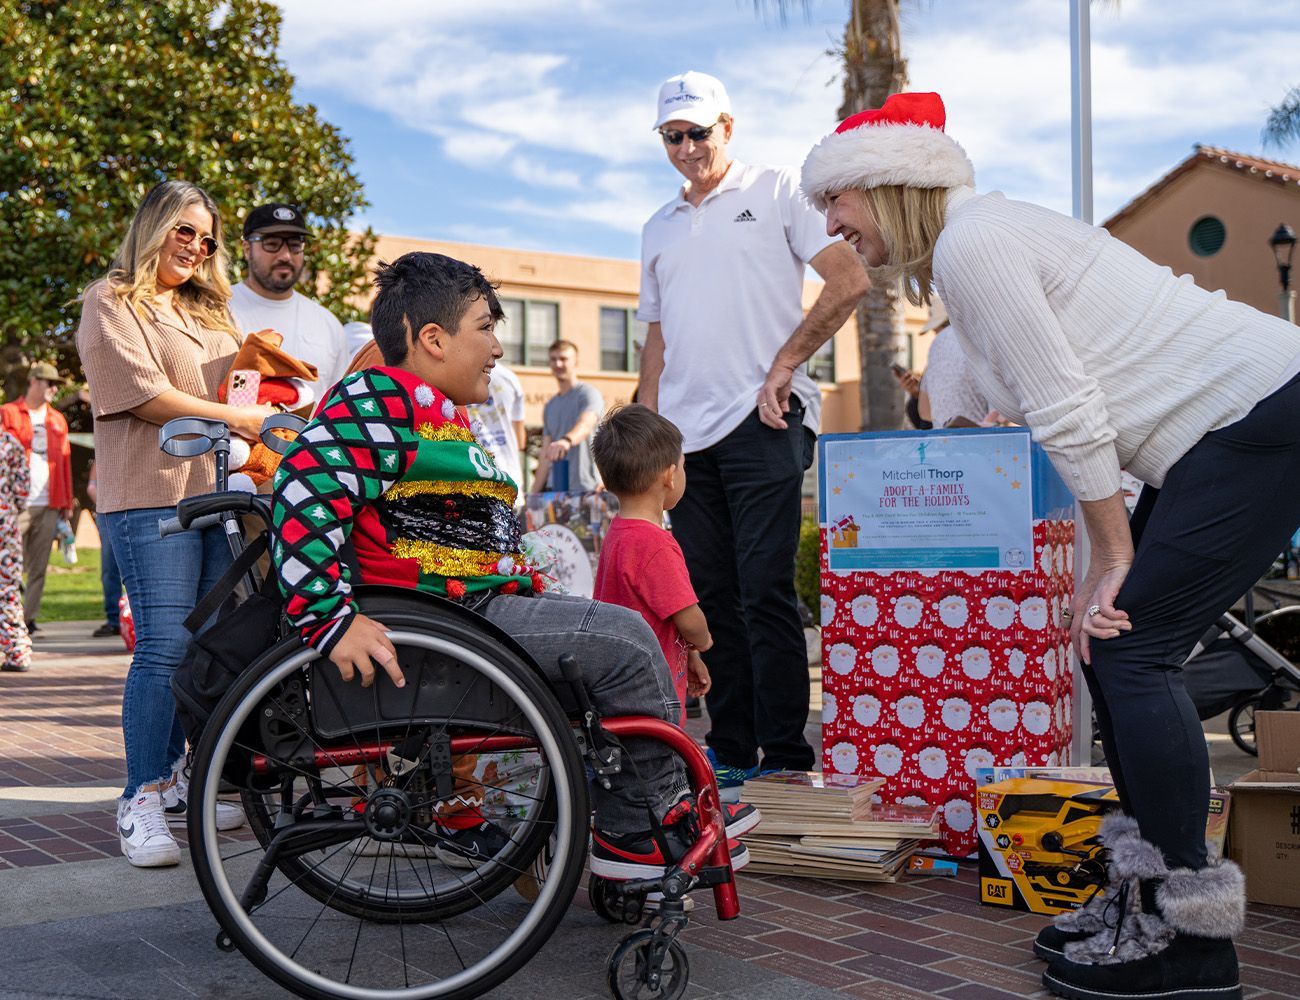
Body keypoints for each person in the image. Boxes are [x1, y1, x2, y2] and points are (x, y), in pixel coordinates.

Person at [799, 90, 1300, 1000]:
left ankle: (1195, 942)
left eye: (835, 200)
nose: (829, 224)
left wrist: (1113, 557)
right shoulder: (970, 253)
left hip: (1257, 415)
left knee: (1134, 650)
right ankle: (1148, 899)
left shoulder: (974, 243)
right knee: (1115, 651)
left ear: (891, 184)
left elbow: (1073, 408)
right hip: (1217, 437)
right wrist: (1112, 554)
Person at [269, 251, 750, 879]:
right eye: (486, 327)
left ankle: (638, 807)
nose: (499, 346)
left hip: (469, 613)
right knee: (628, 640)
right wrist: (330, 619)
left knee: (611, 633)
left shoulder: (432, 411)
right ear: (433, 340)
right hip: (447, 624)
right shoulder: (383, 398)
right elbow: (302, 487)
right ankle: (640, 827)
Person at [637, 70, 869, 793]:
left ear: (727, 128)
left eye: (697, 132)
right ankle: (732, 750)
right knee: (706, 593)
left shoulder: (777, 191)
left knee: (764, 589)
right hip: (683, 441)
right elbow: (655, 339)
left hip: (763, 419)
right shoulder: (658, 227)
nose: (685, 147)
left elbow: (850, 278)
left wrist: (785, 366)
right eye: (672, 135)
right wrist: (646, 434)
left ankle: (788, 757)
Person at [77, 180, 264, 868]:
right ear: (154, 225)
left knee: (213, 643)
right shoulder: (112, 301)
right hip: (149, 497)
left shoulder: (211, 313)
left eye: (207, 238)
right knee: (163, 645)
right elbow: (147, 397)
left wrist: (261, 380)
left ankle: (192, 775)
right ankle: (140, 797)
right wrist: (243, 417)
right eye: (184, 230)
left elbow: (243, 387)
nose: (195, 246)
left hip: (214, 496)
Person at [591, 404, 713, 723]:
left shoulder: (618, 533)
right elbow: (686, 615)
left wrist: (692, 657)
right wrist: (703, 640)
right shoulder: (655, 543)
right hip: (652, 694)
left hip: (620, 683)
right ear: (670, 477)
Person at [228, 203, 350, 396]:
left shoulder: (328, 325)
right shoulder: (218, 309)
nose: (285, 255)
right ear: (247, 249)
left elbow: (337, 404)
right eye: (271, 243)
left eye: (295, 245)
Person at [1, 362, 73, 634]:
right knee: (7, 565)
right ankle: (7, 619)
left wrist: (66, 501)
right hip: (14, 504)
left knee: (38, 567)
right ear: (33, 382)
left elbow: (63, 462)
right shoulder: (8, 414)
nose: (54, 388)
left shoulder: (57, 420)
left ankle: (26, 621)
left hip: (49, 502)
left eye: (56, 384)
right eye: (49, 382)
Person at [531, 340, 603, 494]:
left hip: (588, 488)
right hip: (556, 490)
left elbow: (586, 424)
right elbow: (545, 454)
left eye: (563, 359)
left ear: (575, 361)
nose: (558, 364)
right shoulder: (550, 405)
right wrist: (532, 496)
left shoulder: (588, 394)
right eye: (553, 359)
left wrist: (566, 441)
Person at [916, 302, 990, 429]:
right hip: (981, 435)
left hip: (943, 440)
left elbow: (924, 412)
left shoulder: (935, 346)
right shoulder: (978, 336)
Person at [466, 361, 527, 498]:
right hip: (510, 478)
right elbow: (520, 440)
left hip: (474, 477)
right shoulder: (509, 378)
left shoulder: (456, 375)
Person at [0, 429, 31, 672]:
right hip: (5, 526)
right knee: (7, 589)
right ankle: (17, 649)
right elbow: (22, 490)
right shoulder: (10, 442)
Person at [87, 460, 123, 638]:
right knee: (110, 568)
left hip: (128, 507)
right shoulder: (105, 452)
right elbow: (91, 487)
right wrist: (105, 502)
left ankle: (122, 619)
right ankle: (115, 619)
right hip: (108, 511)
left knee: (111, 569)